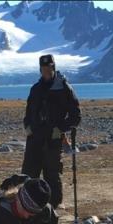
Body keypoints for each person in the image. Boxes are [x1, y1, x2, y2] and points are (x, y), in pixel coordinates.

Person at [21, 54, 81, 208]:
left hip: (53, 140)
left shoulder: (64, 88)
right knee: (28, 174)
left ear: (53, 67)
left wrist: (60, 129)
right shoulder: (35, 89)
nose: (46, 71)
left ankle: (53, 207)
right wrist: (27, 126)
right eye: (43, 68)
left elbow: (76, 116)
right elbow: (28, 113)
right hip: (34, 138)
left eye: (49, 68)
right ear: (40, 70)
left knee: (51, 175)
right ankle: (29, 205)